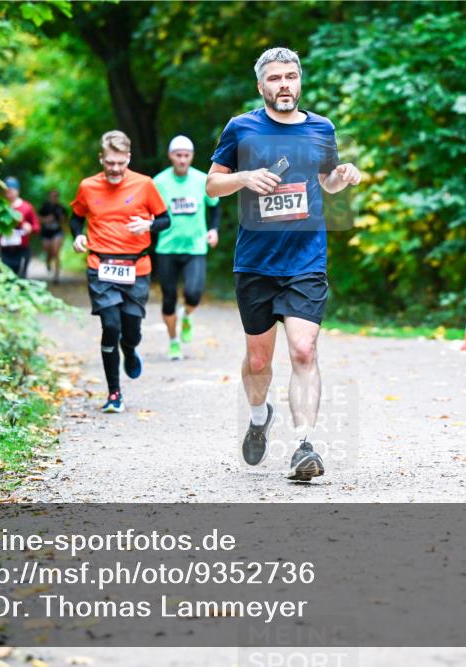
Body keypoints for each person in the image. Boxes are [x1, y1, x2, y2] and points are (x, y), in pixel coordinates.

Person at [206, 47, 361, 481]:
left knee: (304, 350)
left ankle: (303, 445)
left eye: (291, 76)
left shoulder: (320, 128)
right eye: (275, 78)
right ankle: (259, 417)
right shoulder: (242, 128)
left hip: (306, 259)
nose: (285, 85)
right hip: (256, 261)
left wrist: (342, 175)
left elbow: (326, 182)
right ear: (261, 86)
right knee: (259, 361)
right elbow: (212, 185)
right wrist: (243, 178)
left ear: (300, 81)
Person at [69, 130, 170, 413]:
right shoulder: (88, 187)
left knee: (131, 329)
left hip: (136, 267)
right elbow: (76, 219)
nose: (114, 169)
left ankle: (130, 348)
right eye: (109, 163)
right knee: (110, 325)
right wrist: (77, 236)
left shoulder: (145, 185)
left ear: (128, 158)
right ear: (101, 158)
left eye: (120, 163)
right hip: (100, 266)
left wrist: (149, 225)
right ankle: (114, 393)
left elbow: (165, 220)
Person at [153, 135, 222, 360]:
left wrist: (213, 230)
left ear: (191, 156)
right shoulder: (159, 182)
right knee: (169, 298)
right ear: (170, 156)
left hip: (195, 247)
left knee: (193, 293)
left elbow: (215, 207)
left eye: (186, 155)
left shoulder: (203, 180)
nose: (182, 160)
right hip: (167, 248)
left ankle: (187, 316)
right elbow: (149, 212)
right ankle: (174, 341)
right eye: (178, 155)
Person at [0, 176, 40, 278]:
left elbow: (37, 227)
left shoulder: (26, 207)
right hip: (3, 250)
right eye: (7, 190)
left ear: (18, 191)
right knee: (3, 278)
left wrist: (30, 228)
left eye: (12, 190)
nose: (10, 193)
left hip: (21, 250)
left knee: (20, 279)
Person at [38, 189, 67, 283]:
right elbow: (37, 218)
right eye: (52, 196)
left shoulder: (61, 208)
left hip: (57, 232)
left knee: (56, 252)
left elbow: (66, 221)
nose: (54, 197)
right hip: (46, 233)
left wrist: (63, 220)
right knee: (49, 251)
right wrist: (46, 219)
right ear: (49, 196)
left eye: (56, 196)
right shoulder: (44, 207)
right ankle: (48, 261)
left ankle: (56, 276)